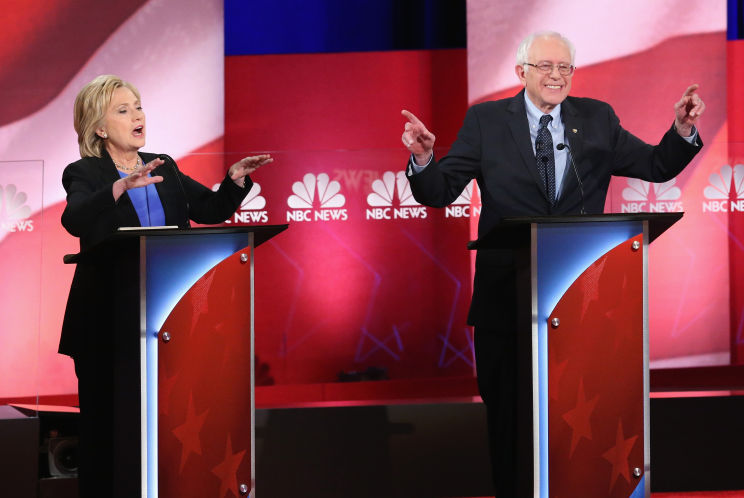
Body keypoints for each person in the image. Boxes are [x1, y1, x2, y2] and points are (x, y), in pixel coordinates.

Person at [400, 31, 704, 496]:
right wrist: (424, 159)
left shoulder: (597, 119)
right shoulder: (486, 121)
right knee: (509, 420)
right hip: (508, 303)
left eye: (564, 68)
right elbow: (440, 192)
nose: (556, 76)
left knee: (583, 421)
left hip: (583, 303)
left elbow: (656, 164)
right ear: (521, 72)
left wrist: (681, 131)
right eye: (545, 67)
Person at [58, 74, 272, 498]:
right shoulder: (84, 172)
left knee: (170, 430)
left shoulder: (164, 165)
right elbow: (75, 219)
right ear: (99, 127)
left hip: (171, 326)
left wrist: (234, 182)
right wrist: (119, 187)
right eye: (123, 110)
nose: (137, 115)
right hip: (108, 326)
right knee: (108, 433)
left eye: (138, 106)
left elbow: (209, 210)